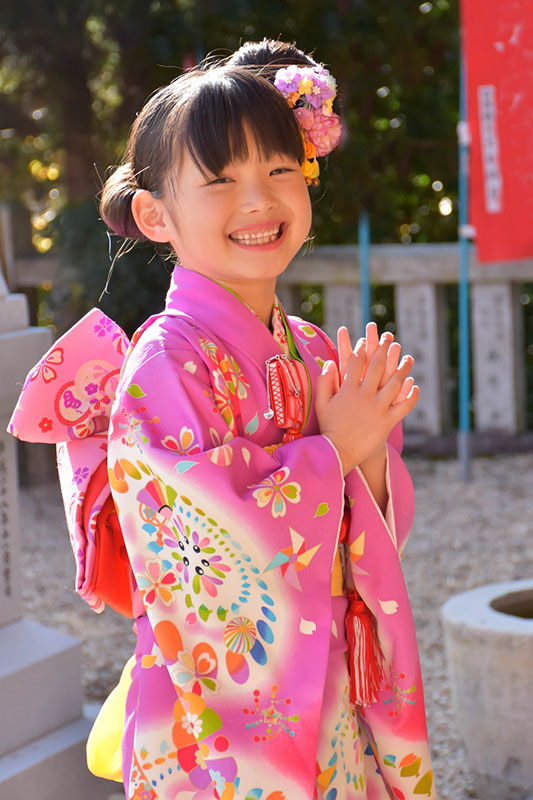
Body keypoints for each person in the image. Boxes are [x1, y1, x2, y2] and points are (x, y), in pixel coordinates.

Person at [9, 43, 438, 800]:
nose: (257, 200)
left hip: (329, 684)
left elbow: (373, 531)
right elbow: (193, 548)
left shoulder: (306, 347)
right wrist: (335, 447)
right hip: (214, 709)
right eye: (219, 180)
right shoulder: (164, 363)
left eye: (279, 170)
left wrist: (367, 453)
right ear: (155, 214)